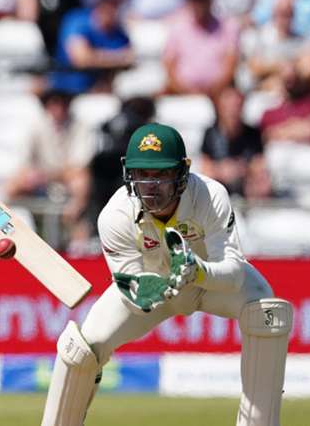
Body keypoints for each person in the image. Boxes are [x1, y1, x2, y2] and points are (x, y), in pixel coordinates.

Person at [41, 123, 293, 426]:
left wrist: (195, 271)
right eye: (142, 174)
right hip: (154, 287)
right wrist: (149, 290)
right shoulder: (115, 215)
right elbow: (132, 299)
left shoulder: (210, 196)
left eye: (161, 174)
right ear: (128, 173)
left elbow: (234, 273)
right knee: (80, 349)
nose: (151, 185)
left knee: (266, 312)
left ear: (182, 173)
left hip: (208, 282)